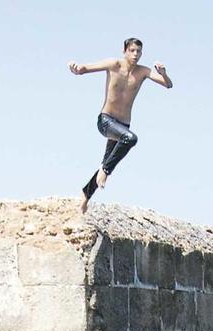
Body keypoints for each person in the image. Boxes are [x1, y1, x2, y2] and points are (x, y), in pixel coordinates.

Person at [68, 37, 173, 213]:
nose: (135, 54)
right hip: (106, 121)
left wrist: (163, 73)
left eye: (138, 51)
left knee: (107, 161)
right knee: (129, 141)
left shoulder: (143, 72)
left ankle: (85, 196)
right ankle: (105, 172)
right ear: (124, 50)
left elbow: (168, 85)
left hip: (123, 125)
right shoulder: (113, 64)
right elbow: (84, 69)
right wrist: (75, 67)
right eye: (132, 50)